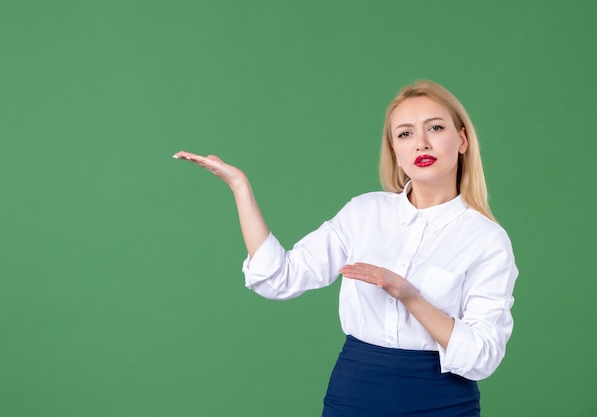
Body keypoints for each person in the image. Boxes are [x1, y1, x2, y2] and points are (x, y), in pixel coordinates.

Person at [173, 80, 518, 417]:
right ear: (395, 152)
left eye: (436, 128)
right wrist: (240, 187)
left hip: (441, 399)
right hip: (356, 393)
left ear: (462, 139)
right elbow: (278, 278)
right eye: (405, 134)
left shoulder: (487, 240)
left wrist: (410, 296)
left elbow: (482, 356)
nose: (421, 144)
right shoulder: (364, 213)